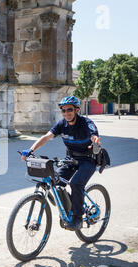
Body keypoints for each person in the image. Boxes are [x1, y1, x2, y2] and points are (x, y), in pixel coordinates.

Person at [20, 96, 102, 231]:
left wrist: (96, 141)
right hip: (70, 160)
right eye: (63, 110)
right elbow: (46, 137)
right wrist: (30, 150)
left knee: (76, 183)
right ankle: (70, 208)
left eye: (69, 110)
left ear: (77, 110)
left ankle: (77, 217)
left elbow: (94, 135)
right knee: (57, 184)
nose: (66, 113)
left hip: (87, 160)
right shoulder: (61, 124)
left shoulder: (86, 123)